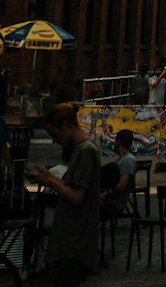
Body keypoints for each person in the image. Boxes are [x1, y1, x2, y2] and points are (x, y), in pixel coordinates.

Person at [30, 103, 101, 287]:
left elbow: (77, 196)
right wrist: (49, 177)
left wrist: (50, 181)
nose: (55, 140)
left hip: (73, 241)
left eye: (55, 134)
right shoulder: (82, 149)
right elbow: (73, 188)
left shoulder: (86, 151)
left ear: (66, 126)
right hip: (69, 241)